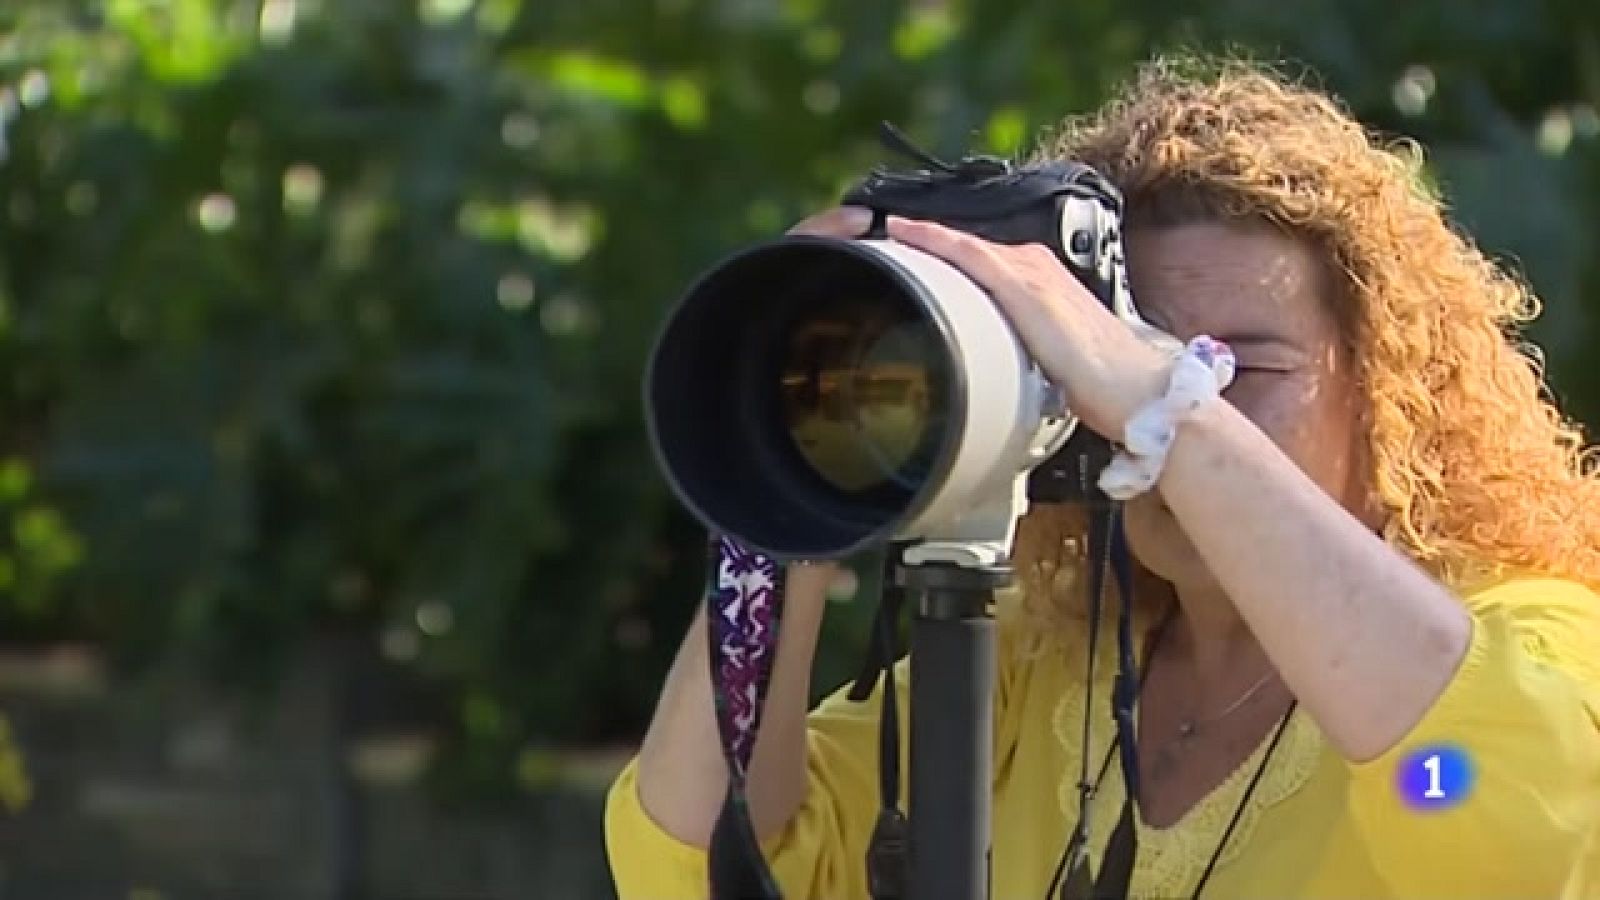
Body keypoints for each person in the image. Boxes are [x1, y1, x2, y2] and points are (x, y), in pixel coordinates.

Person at [604, 56, 1600, 898]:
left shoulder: (1534, 638)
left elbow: (1514, 819)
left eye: (1231, 369)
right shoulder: (1029, 679)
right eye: (1110, 367)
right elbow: (699, 861)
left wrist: (1164, 401)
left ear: (1388, 389)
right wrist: (791, 480)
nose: (1154, 414)